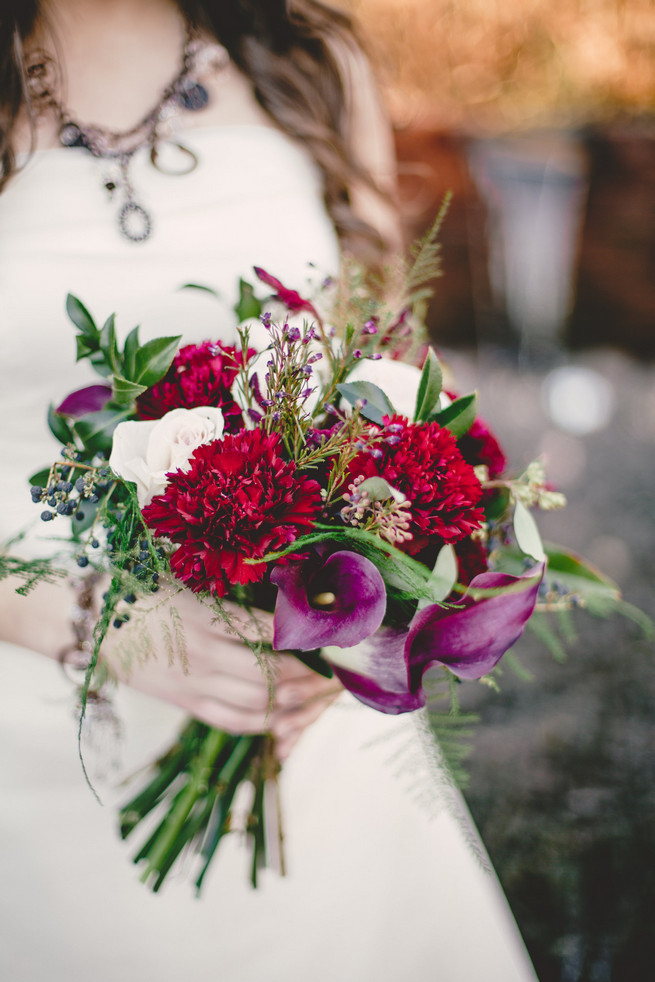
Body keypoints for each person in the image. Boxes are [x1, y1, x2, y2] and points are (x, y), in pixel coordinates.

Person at [0, 2, 538, 979]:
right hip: (31, 728)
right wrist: (84, 621)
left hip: (298, 692)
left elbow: (387, 359)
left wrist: (386, 578)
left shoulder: (307, 58)